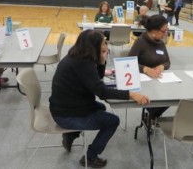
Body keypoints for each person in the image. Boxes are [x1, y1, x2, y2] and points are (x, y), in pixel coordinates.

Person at [49, 29, 150, 168]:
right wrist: (130, 94)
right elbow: (101, 92)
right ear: (93, 46)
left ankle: (71, 134)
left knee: (101, 108)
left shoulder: (77, 57)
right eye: (103, 43)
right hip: (66, 115)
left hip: (66, 107)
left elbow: (97, 80)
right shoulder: (83, 63)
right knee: (113, 121)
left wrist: (102, 62)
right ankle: (90, 157)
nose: (105, 45)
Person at [128, 15, 170, 123]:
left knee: (172, 98)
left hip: (159, 81)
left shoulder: (160, 43)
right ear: (154, 31)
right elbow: (127, 63)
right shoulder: (140, 42)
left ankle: (152, 117)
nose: (166, 34)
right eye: (163, 31)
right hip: (144, 84)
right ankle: (152, 117)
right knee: (159, 101)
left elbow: (168, 62)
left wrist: (162, 66)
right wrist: (145, 69)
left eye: (166, 30)